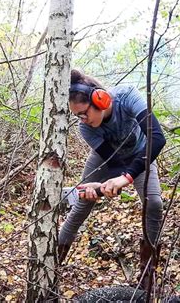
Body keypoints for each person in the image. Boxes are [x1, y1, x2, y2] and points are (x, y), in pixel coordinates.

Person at [58, 69, 166, 288]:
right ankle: (51, 264)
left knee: (153, 203)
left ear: (100, 99)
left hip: (143, 154)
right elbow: (114, 162)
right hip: (107, 160)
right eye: (77, 116)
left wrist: (125, 178)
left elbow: (157, 138)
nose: (82, 120)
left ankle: (147, 278)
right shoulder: (86, 129)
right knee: (81, 205)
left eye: (84, 113)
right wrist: (99, 188)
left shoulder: (126, 97)